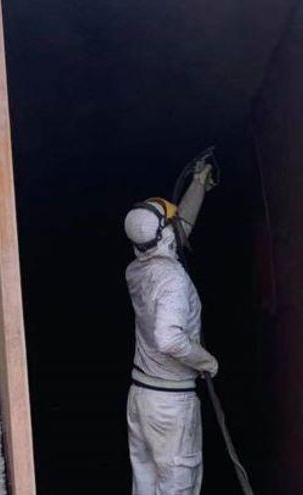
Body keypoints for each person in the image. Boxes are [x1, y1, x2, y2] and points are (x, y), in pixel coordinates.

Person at [123, 161, 218, 495]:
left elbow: (177, 230)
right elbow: (169, 339)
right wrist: (206, 362)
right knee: (178, 484)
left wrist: (198, 184)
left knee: (145, 484)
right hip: (170, 406)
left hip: (142, 398)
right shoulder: (173, 280)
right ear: (163, 235)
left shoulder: (137, 269)